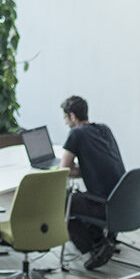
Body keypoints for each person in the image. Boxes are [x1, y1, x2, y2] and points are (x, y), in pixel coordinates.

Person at [59, 94, 126, 269]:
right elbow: (102, 164)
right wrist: (83, 170)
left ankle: (97, 245)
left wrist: (73, 169)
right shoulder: (104, 129)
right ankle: (107, 239)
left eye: (66, 118)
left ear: (72, 116)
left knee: (62, 202)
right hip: (122, 200)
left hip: (103, 204)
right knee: (80, 198)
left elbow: (63, 170)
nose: (66, 122)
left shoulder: (76, 133)